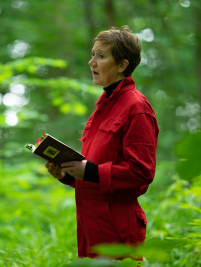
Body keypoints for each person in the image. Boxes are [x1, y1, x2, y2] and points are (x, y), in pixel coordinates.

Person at [45, 25, 159, 259]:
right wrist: (66, 174)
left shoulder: (137, 108)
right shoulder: (103, 106)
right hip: (90, 225)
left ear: (122, 65)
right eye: (92, 54)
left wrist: (91, 171)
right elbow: (95, 172)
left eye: (101, 55)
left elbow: (142, 171)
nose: (91, 62)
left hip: (117, 228)